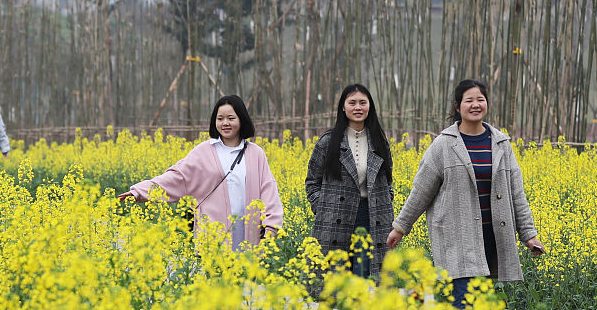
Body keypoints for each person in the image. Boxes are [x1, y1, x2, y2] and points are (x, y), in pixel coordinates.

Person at [387, 79, 545, 310]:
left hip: (491, 239)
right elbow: (421, 191)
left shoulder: (501, 144)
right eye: (468, 100)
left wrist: (529, 235)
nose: (475, 105)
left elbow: (516, 193)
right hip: (458, 241)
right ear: (457, 106)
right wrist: (400, 227)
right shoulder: (443, 145)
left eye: (480, 99)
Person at [118, 95, 283, 249]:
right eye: (220, 119)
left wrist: (271, 226)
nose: (225, 123)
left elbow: (268, 190)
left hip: (249, 236)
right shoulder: (204, 151)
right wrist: (140, 191)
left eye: (231, 118)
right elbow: (177, 178)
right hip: (213, 240)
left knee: (248, 276)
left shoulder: (256, 153)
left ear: (242, 119)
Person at [305, 83, 395, 293]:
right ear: (343, 107)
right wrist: (323, 209)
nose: (358, 107)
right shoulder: (328, 142)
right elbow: (311, 182)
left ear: (370, 107)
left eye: (363, 103)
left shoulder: (380, 142)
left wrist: (386, 202)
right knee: (334, 282)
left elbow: (388, 182)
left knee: (364, 277)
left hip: (371, 217)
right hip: (335, 218)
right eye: (352, 102)